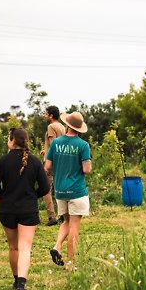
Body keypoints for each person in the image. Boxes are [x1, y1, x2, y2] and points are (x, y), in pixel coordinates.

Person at [0, 128, 49, 290]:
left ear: (12, 141)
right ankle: (21, 286)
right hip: (28, 209)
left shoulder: (3, 161)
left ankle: (16, 280)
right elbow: (45, 188)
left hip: (7, 209)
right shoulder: (35, 162)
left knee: (13, 247)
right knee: (25, 248)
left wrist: (2, 195)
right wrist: (32, 197)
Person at [45, 111, 92, 269]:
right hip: (76, 191)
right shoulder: (83, 145)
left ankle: (57, 247)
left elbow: (48, 166)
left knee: (65, 221)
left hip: (60, 190)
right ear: (80, 128)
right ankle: (70, 263)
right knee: (74, 227)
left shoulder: (56, 143)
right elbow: (86, 169)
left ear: (67, 125)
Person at [40, 105, 65, 227]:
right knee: (59, 188)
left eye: (46, 114)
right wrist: (46, 150)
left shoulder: (50, 126)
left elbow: (53, 144)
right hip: (61, 161)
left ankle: (51, 216)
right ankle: (63, 214)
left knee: (46, 188)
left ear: (51, 116)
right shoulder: (61, 126)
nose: (45, 116)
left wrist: (48, 158)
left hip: (52, 162)